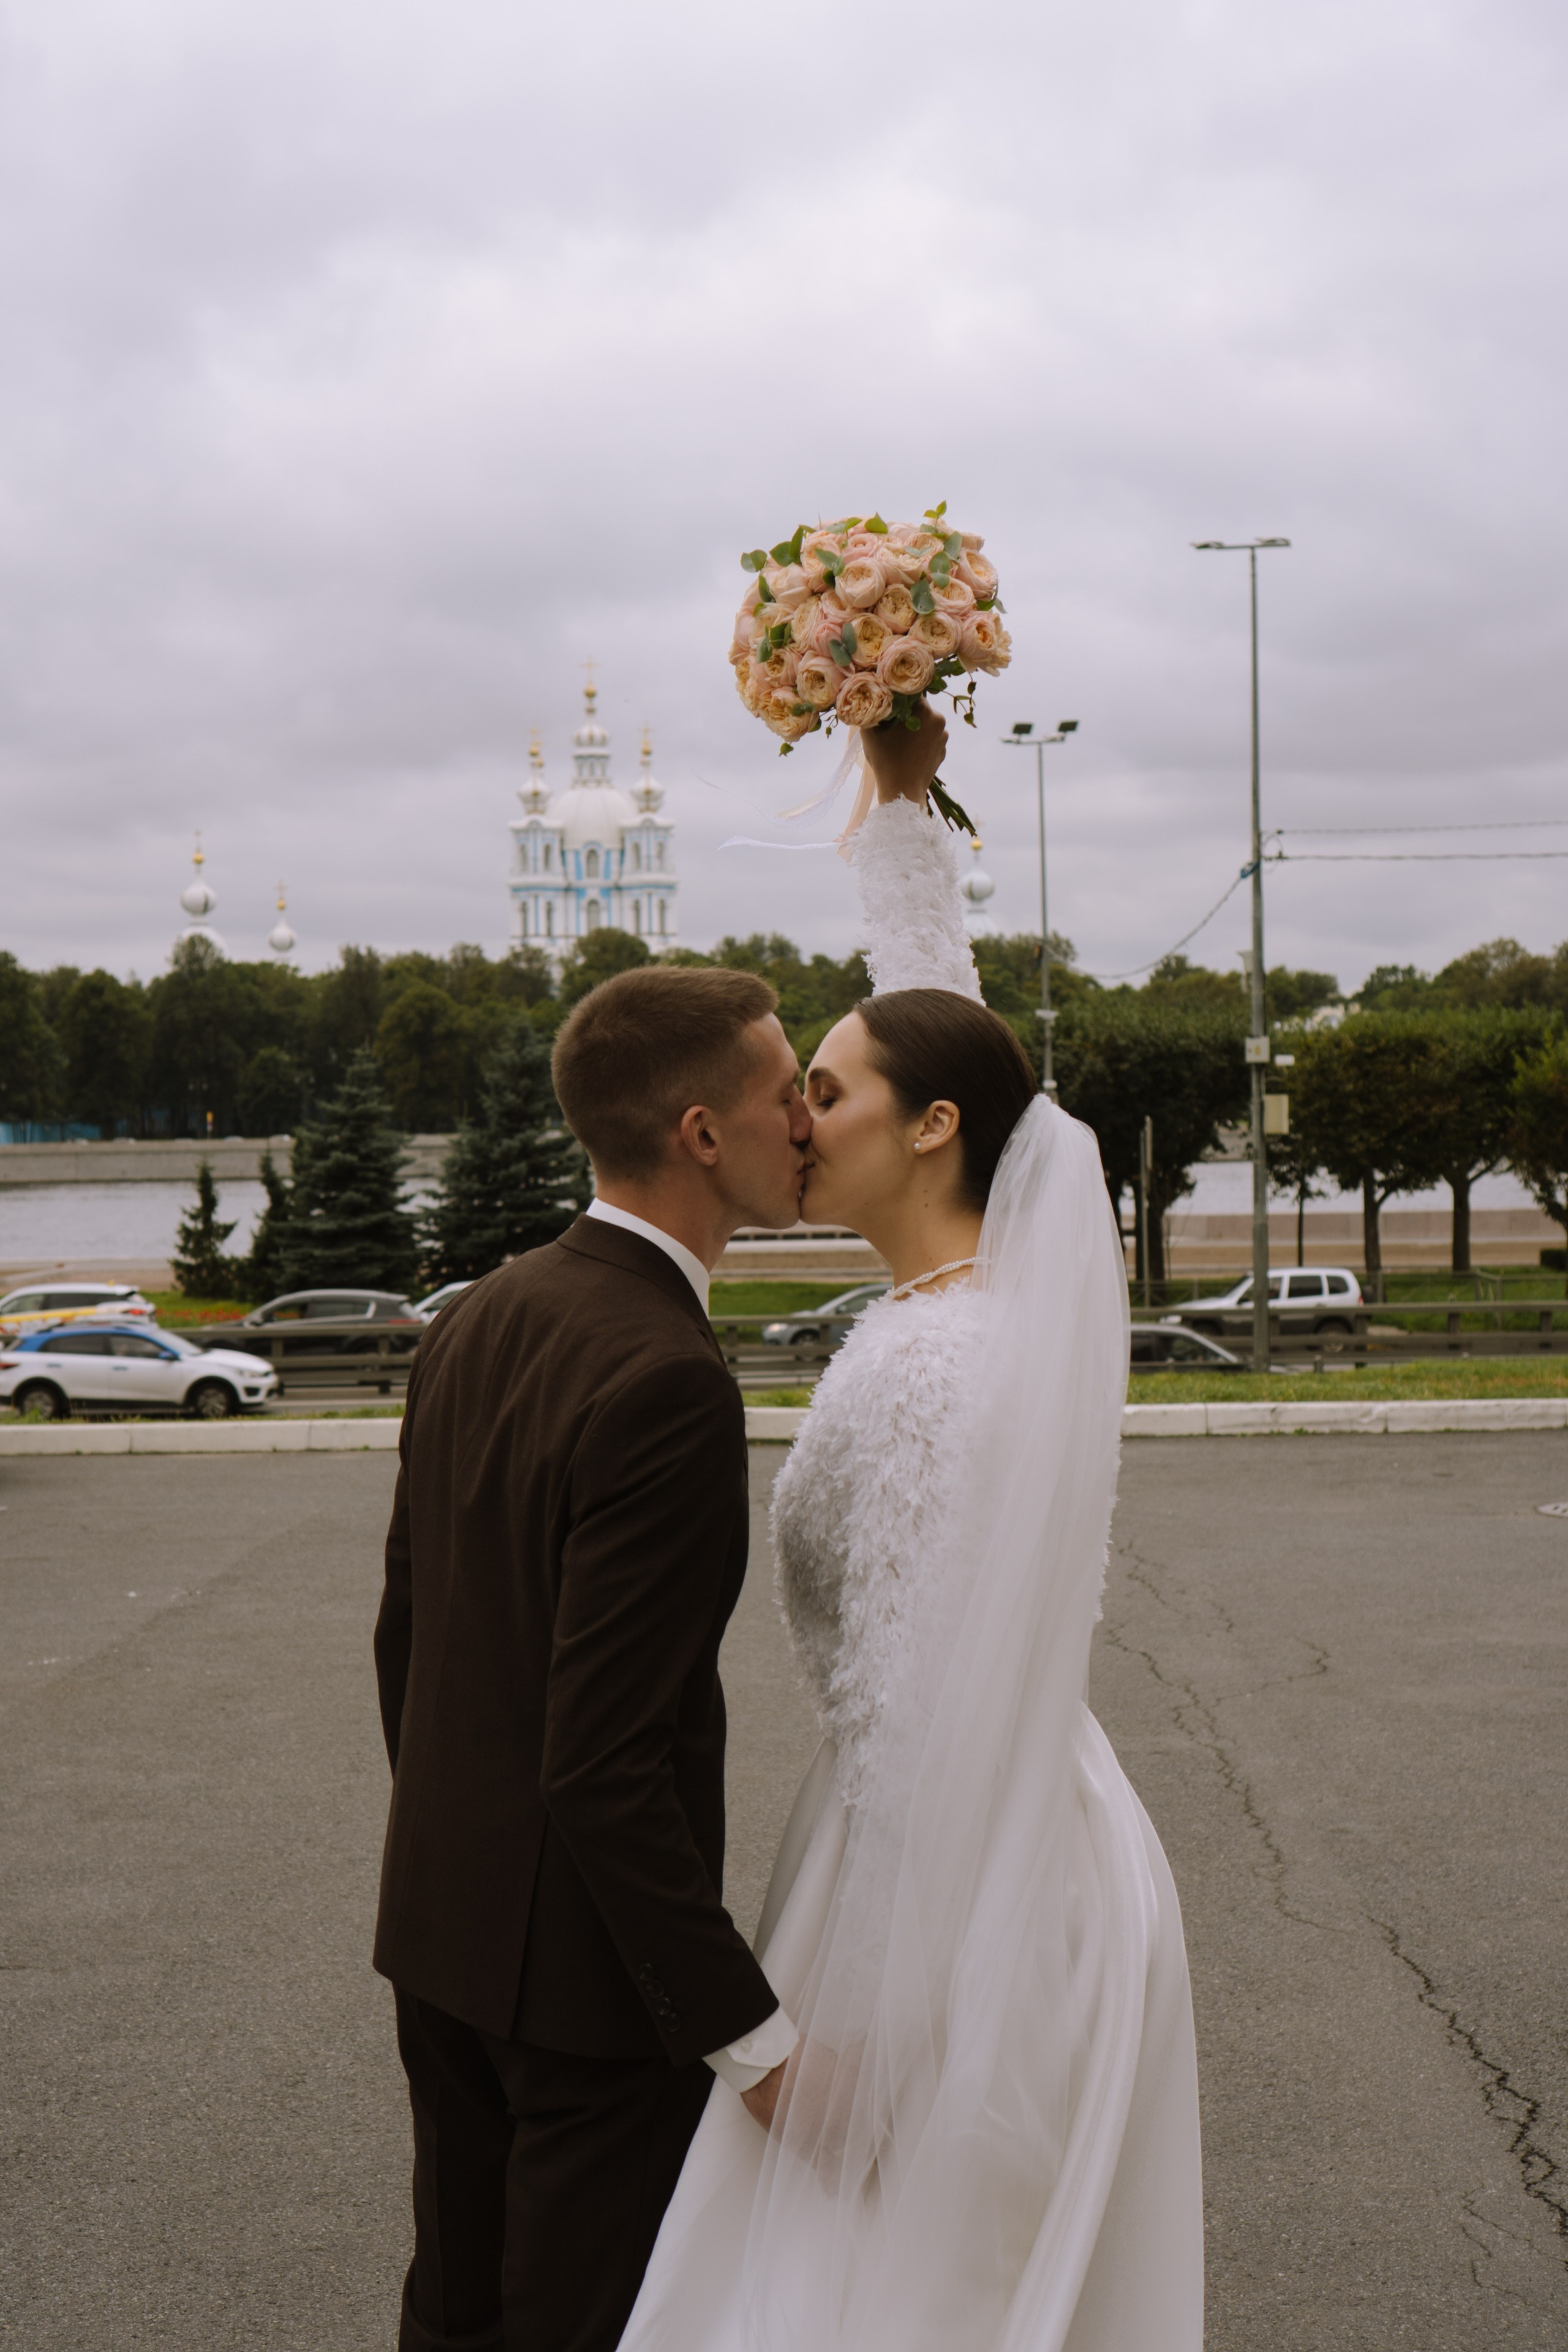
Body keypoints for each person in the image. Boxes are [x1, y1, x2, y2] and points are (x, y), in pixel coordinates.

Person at [620, 704, 1204, 2352]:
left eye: (825, 1089)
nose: (798, 1120)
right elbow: (934, 1022)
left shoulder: (943, 1364)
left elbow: (932, 1711)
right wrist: (898, 802)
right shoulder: (976, 1298)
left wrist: (846, 2034)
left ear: (932, 1128)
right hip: (1006, 1847)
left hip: (960, 1891)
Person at [372, 965, 812, 2352]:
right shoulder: (669, 1379)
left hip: (442, 1937)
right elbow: (608, 1760)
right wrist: (747, 2039)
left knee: (455, 2316)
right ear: (700, 1133)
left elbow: (408, 1638)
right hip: (585, 1998)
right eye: (786, 1091)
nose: (807, 1117)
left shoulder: (478, 1313)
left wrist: (470, 1861)